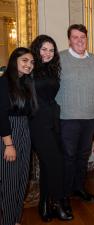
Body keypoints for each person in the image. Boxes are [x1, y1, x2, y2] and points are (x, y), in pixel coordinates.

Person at [55, 24, 94, 212]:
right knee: (68, 157)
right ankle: (64, 196)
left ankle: (78, 188)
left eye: (83, 37)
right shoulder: (60, 59)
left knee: (83, 156)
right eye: (75, 37)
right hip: (67, 118)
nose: (80, 40)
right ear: (69, 40)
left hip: (90, 117)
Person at [29, 35, 73, 221]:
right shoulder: (29, 68)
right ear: (37, 49)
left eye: (51, 50)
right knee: (55, 164)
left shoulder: (52, 70)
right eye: (44, 49)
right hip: (37, 122)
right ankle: (58, 202)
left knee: (49, 166)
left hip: (53, 120)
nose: (47, 53)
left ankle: (45, 205)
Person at [0, 47, 37, 225]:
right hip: (9, 135)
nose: (29, 65)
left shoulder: (25, 83)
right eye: (24, 61)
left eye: (31, 62)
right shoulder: (4, 82)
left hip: (24, 131)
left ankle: (16, 220)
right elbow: (1, 114)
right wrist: (9, 144)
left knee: (22, 180)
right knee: (9, 184)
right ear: (14, 61)